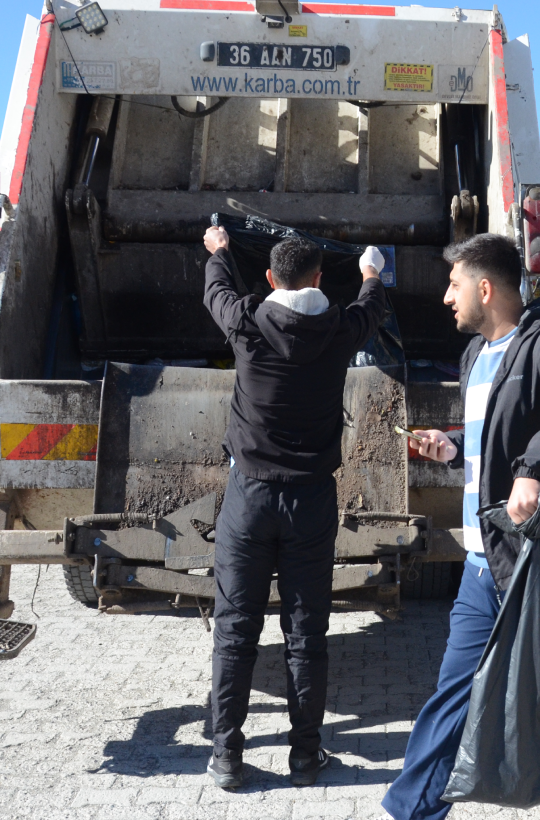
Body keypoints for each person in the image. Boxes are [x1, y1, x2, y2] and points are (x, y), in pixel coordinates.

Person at [380, 233, 540, 820]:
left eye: (454, 284)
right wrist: (451, 444)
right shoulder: (475, 356)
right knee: (455, 695)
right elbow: (494, 432)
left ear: (486, 288)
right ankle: (411, 811)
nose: (447, 296)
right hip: (484, 562)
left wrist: (533, 473)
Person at [200, 228, 388, 789]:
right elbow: (371, 308)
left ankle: (227, 756)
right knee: (307, 631)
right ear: (318, 279)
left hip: (249, 499)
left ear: (269, 279)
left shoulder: (246, 322)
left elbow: (215, 291)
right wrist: (372, 271)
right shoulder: (339, 328)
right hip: (311, 500)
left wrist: (220, 251)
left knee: (236, 628)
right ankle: (306, 756)